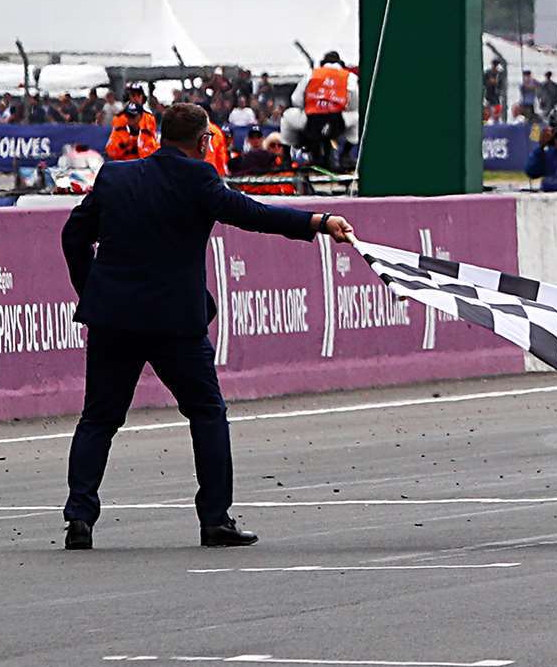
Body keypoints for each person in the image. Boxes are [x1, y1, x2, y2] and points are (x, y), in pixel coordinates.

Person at [60, 102, 355, 550]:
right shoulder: (198, 179)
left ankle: (80, 518)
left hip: (113, 318)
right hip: (174, 323)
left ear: (160, 136)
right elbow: (253, 215)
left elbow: (73, 236)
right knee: (207, 413)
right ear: (203, 142)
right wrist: (318, 222)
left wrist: (93, 291)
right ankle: (215, 519)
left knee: (98, 418)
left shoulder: (115, 176)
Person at [300, 53, 353, 171]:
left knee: (311, 134)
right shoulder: (347, 76)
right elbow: (354, 99)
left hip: (314, 116)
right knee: (337, 134)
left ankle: (315, 159)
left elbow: (296, 98)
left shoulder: (313, 74)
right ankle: (342, 157)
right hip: (336, 116)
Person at [105, 85, 160, 160]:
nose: (136, 98)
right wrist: (127, 145)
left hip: (144, 160)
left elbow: (153, 142)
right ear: (129, 96)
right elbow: (112, 146)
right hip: (125, 161)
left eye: (139, 95)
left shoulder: (150, 117)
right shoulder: (119, 118)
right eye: (133, 95)